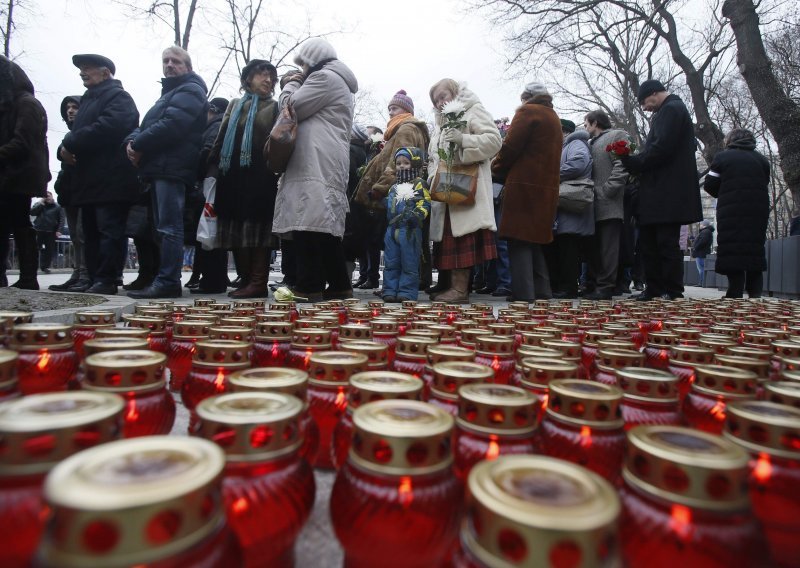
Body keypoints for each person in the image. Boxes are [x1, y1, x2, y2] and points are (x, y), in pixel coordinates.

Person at [272, 39, 358, 303]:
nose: (302, 70)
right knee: (321, 225)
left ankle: (309, 285)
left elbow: (291, 109)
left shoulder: (323, 78)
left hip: (314, 158)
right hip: (324, 158)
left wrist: (290, 85)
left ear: (313, 60)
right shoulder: (337, 80)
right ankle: (339, 285)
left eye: (303, 64)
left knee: (306, 221)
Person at [126, 45, 208, 299]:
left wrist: (138, 144)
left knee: (169, 228)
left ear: (188, 67)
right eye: (166, 61)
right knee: (163, 227)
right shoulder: (169, 94)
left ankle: (168, 280)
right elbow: (145, 126)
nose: (170, 65)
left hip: (172, 168)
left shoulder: (191, 91)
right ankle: (164, 278)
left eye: (176, 61)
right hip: (161, 167)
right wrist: (130, 143)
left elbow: (172, 124)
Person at [62, 53, 140, 295]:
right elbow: (73, 134)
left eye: (88, 68)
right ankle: (93, 276)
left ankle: (107, 278)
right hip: (88, 182)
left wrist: (71, 142)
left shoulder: (119, 98)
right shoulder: (87, 100)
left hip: (111, 180)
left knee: (109, 231)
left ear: (105, 72)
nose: (82, 72)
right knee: (91, 232)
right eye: (81, 69)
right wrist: (63, 148)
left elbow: (108, 127)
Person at [620, 79, 702, 300]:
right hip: (659, 191)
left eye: (644, 102)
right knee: (649, 242)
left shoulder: (672, 109)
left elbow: (661, 147)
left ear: (654, 93)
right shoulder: (667, 111)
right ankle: (655, 287)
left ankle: (672, 290)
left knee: (665, 242)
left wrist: (635, 162)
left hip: (667, 192)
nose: (645, 108)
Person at [209, 60, 280, 298]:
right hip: (232, 174)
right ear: (248, 78)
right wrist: (211, 169)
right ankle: (246, 279)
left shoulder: (275, 107)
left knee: (258, 229)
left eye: (271, 76)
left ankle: (258, 282)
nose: (268, 79)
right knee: (235, 227)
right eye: (262, 74)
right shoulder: (234, 105)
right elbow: (220, 138)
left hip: (261, 176)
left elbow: (278, 145)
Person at [427, 78, 501, 304]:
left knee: (461, 236)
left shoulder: (473, 110)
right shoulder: (439, 124)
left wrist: (463, 141)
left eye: (443, 95)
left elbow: (494, 141)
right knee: (447, 237)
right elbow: (433, 156)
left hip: (469, 185)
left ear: (455, 92)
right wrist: (433, 176)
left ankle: (460, 290)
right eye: (436, 99)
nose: (441, 102)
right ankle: (448, 285)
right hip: (446, 187)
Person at [355, 90, 431, 291]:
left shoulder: (405, 129)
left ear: (406, 110)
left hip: (400, 192)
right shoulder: (405, 129)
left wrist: (379, 188)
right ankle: (414, 281)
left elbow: (398, 163)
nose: (390, 112)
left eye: (394, 108)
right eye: (389, 108)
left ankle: (402, 286)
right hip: (404, 190)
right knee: (411, 240)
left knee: (399, 242)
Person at [492, 82, 561, 302]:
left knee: (518, 239)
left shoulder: (527, 112)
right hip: (546, 188)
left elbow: (510, 147)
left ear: (526, 97)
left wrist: (495, 168)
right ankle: (542, 291)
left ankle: (523, 294)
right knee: (534, 240)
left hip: (523, 186)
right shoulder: (553, 117)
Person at [0, 56, 50, 289]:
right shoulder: (8, 105)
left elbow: (23, 142)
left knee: (20, 224)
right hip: (7, 174)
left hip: (19, 175)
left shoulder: (27, 103)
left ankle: (29, 277)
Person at [704, 128, 769, 298]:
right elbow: (765, 182)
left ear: (730, 141)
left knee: (733, 249)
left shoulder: (723, 157)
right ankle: (755, 295)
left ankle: (735, 292)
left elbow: (709, 183)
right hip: (758, 211)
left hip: (731, 210)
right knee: (754, 250)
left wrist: (725, 191)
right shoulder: (762, 160)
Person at [543, 119, 594, 299]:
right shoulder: (568, 145)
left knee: (568, 250)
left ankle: (568, 287)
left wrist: (550, 173)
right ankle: (562, 286)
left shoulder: (576, 144)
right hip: (565, 211)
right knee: (563, 249)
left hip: (570, 208)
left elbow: (578, 163)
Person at [583, 110, 630, 300]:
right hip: (591, 204)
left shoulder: (617, 136)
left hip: (609, 203)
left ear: (595, 122)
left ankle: (605, 286)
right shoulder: (589, 143)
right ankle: (594, 283)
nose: (585, 128)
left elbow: (623, 164)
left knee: (608, 247)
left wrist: (607, 189)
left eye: (586, 124)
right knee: (593, 248)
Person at [187, 96, 229, 295]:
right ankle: (213, 279)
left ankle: (212, 280)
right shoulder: (221, 124)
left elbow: (206, 152)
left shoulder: (215, 125)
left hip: (209, 183)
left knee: (208, 233)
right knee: (210, 233)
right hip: (215, 183)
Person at [51, 94, 92, 291]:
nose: (70, 111)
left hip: (86, 191)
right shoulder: (68, 138)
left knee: (82, 234)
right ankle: (77, 273)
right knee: (75, 236)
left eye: (75, 107)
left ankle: (85, 274)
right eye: (67, 107)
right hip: (70, 192)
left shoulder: (86, 133)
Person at [382, 147, 431, 302]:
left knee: (409, 262)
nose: (401, 166)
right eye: (398, 163)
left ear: (415, 164)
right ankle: (390, 290)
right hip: (392, 229)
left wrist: (418, 215)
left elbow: (425, 202)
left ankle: (407, 292)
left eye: (406, 163)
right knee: (391, 261)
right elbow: (391, 204)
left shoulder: (419, 184)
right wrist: (380, 203)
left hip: (409, 229)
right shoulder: (394, 186)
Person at [30, 191, 65, 274]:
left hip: (51, 231)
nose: (47, 197)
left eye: (49, 196)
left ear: (52, 196)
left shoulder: (58, 207)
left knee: (49, 250)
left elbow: (62, 219)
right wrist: (41, 204)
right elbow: (32, 212)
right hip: (38, 229)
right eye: (45, 196)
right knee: (34, 248)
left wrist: (59, 230)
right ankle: (31, 266)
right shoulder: (40, 205)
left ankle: (45, 266)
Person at [691, 219, 714, 286]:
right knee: (702, 268)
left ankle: (701, 283)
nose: (700, 225)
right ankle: (702, 282)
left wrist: (695, 247)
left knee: (701, 268)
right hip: (703, 252)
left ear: (704, 225)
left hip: (701, 253)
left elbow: (702, 242)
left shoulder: (705, 232)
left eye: (701, 224)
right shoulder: (707, 231)